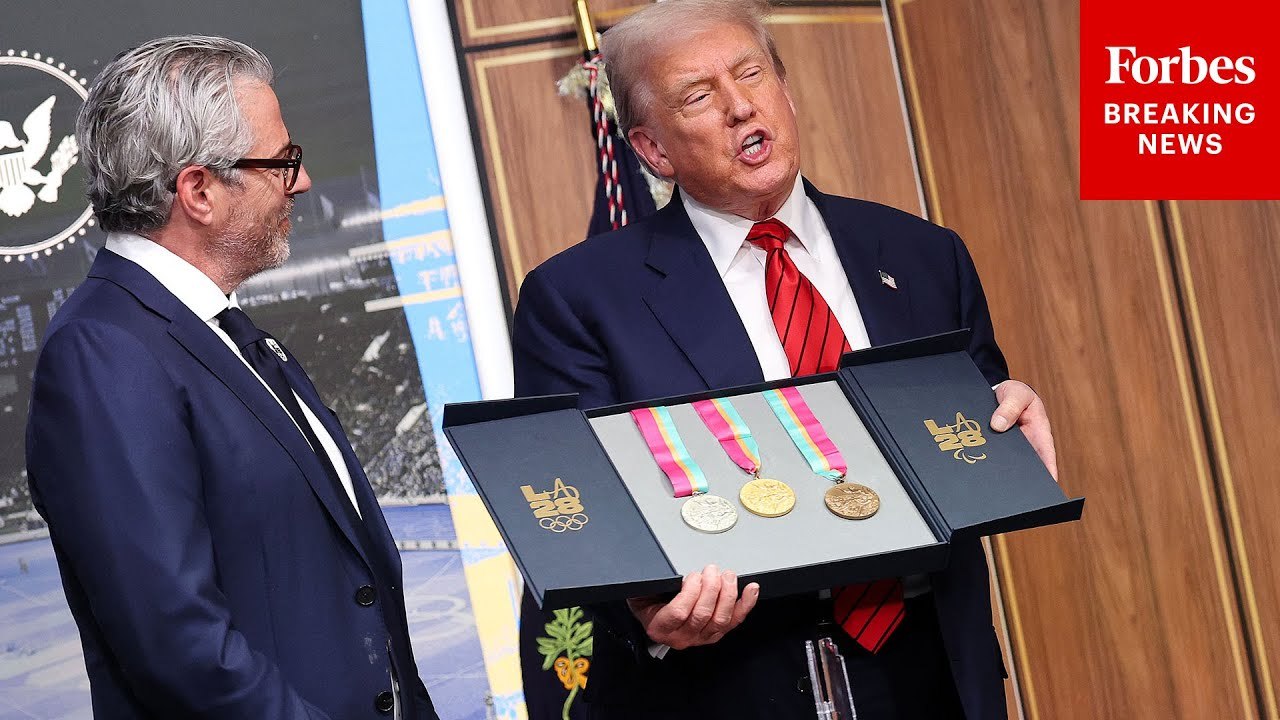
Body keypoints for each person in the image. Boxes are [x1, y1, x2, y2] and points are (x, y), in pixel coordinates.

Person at [511, 1, 1057, 718]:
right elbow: (577, 515)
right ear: (652, 150)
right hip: (731, 682)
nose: (741, 107)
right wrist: (648, 616)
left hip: (934, 674)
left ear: (786, 91)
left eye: (753, 74)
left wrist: (1008, 421)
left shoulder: (925, 255)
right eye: (699, 96)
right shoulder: (579, 298)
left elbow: (972, 434)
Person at [25, 36, 438, 720]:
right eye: (282, 162)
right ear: (200, 190)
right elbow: (179, 643)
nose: (300, 182)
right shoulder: (105, 351)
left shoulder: (220, 330)